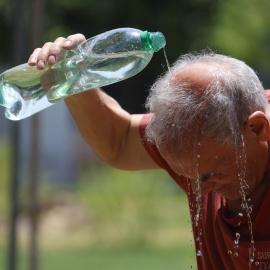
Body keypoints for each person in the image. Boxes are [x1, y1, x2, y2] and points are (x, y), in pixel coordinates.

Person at [28, 34, 270, 269]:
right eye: (187, 176)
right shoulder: (195, 144)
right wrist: (75, 79)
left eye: (211, 175)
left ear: (256, 128)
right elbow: (119, 142)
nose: (199, 191)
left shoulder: (218, 131)